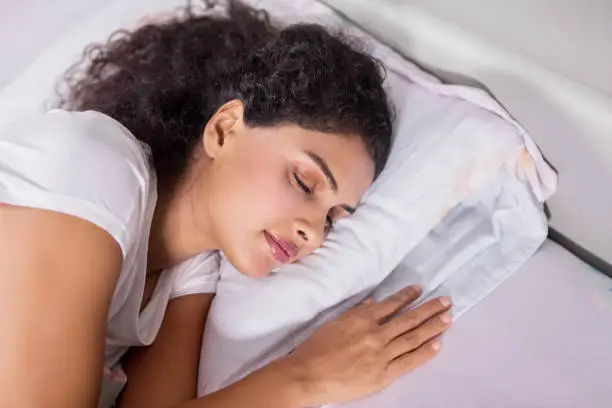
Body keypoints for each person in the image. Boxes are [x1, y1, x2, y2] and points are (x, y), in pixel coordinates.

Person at [0, 1, 452, 407]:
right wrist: (306, 377)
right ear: (224, 128)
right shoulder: (92, 163)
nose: (313, 234)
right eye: (304, 181)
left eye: (333, 219)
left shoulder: (189, 277)